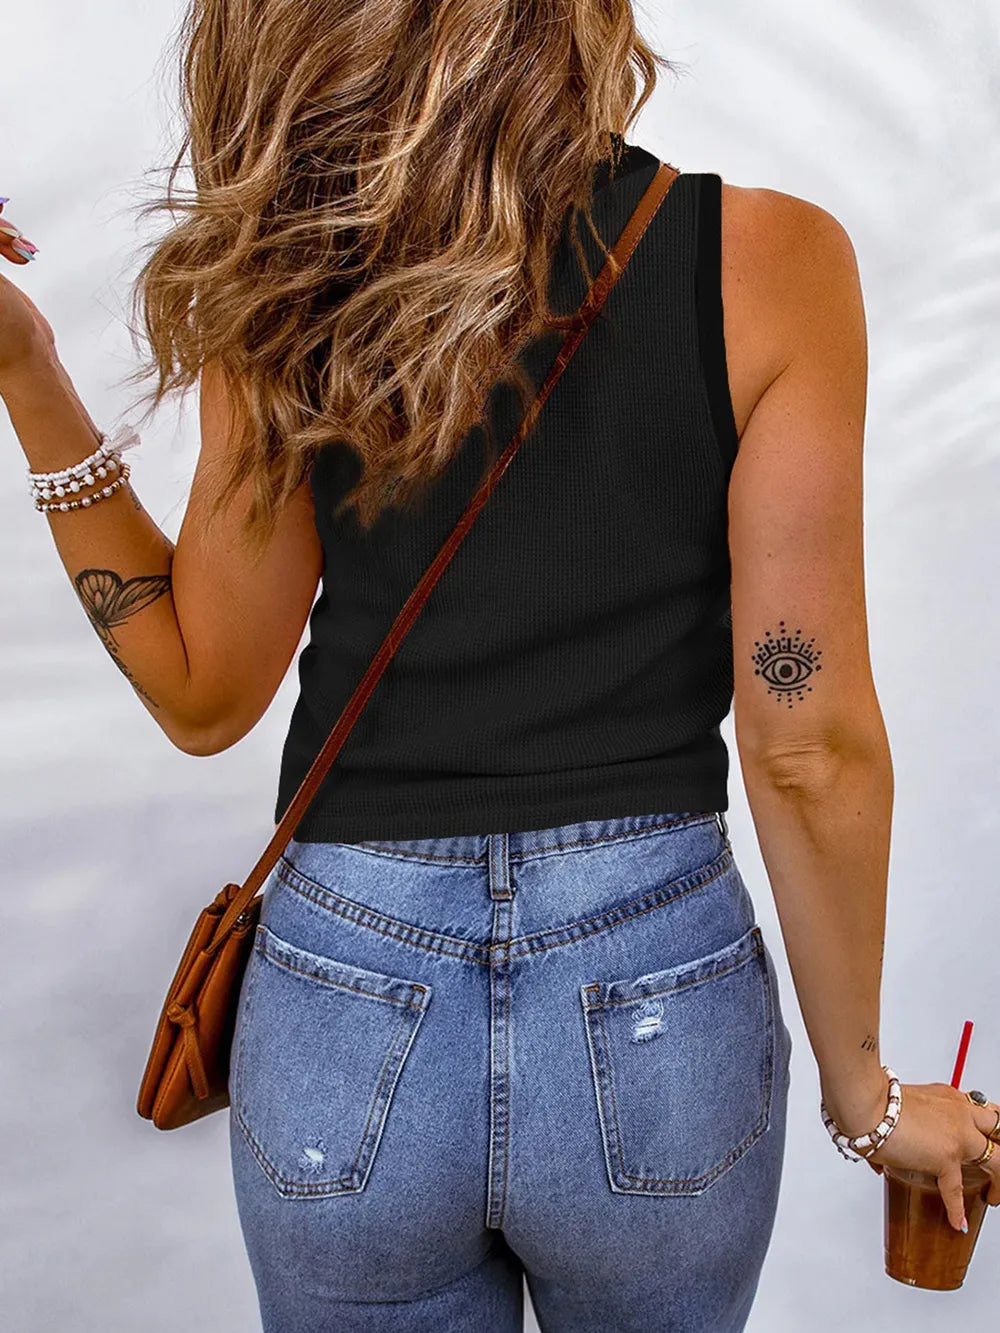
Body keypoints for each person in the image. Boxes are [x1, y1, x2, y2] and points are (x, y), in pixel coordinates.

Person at [2, 4, 998, 1330]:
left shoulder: (291, 288)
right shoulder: (772, 265)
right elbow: (806, 742)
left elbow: (202, 691)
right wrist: (868, 1100)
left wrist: (27, 370)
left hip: (348, 998)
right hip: (654, 1001)